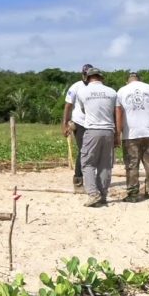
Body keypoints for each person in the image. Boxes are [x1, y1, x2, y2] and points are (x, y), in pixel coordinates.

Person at [116, 72, 149, 203]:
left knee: (132, 164)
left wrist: (118, 131)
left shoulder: (122, 91)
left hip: (130, 133)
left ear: (127, 81)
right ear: (140, 79)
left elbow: (118, 112)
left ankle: (133, 194)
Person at [76, 67, 118, 207]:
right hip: (109, 131)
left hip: (92, 130)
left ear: (87, 78)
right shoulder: (112, 92)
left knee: (87, 163)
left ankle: (93, 194)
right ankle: (103, 195)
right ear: (101, 77)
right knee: (105, 165)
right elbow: (115, 112)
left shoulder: (82, 92)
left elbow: (83, 110)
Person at [62, 63, 93, 191]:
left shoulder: (96, 87)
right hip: (79, 123)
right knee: (83, 150)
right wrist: (65, 123)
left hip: (93, 123)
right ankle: (78, 179)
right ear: (82, 74)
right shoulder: (76, 87)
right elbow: (68, 106)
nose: (87, 77)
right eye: (85, 74)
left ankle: (92, 179)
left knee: (92, 151)